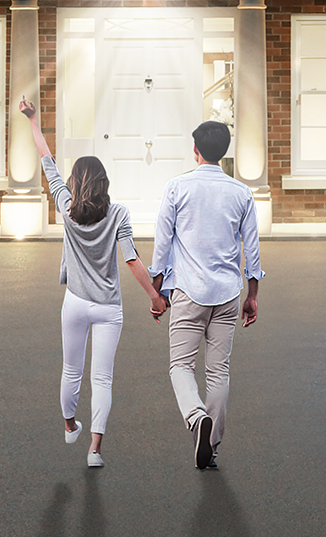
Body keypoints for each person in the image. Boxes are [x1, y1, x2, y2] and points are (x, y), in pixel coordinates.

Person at [18, 96, 167, 468]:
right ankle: (94, 450)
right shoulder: (118, 213)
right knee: (102, 378)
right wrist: (154, 296)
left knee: (72, 370)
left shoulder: (66, 208)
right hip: (108, 308)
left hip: (75, 303)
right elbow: (131, 259)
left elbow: (46, 161)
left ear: (74, 183)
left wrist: (33, 121)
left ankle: (70, 425)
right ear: (104, 182)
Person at [149, 120, 264, 470]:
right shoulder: (241, 193)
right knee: (218, 373)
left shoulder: (177, 188)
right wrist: (252, 295)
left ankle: (196, 417)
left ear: (195, 150)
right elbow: (253, 251)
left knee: (181, 366)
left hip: (188, 291)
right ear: (224, 152)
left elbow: (162, 246)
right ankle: (211, 449)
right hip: (227, 294)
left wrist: (157, 292)